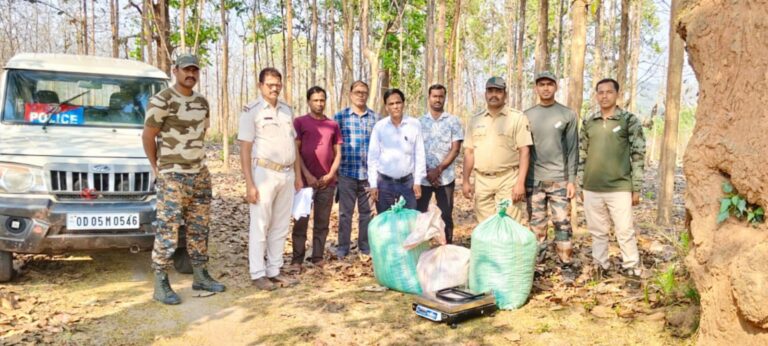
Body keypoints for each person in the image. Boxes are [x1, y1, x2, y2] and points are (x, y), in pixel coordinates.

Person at [142, 53, 225, 305]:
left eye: (195, 70)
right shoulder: (162, 100)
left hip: (199, 174)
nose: (191, 74)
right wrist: (157, 168)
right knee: (167, 229)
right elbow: (148, 136)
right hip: (172, 175)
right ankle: (160, 283)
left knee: (199, 228)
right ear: (175, 70)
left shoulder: (202, 102)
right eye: (186, 69)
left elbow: (200, 134)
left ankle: (200, 275)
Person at [238, 67, 303, 291]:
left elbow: (293, 145)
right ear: (260, 86)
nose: (274, 88)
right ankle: (258, 272)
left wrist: (298, 176)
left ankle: (275, 269)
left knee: (281, 225)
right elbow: (245, 148)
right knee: (261, 224)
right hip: (264, 173)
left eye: (277, 84)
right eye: (270, 85)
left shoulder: (286, 110)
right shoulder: (252, 111)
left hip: (287, 173)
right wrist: (249, 184)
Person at [578, 78, 646, 287]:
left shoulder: (628, 120)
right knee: (597, 231)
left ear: (617, 94)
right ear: (596, 95)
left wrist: (636, 187)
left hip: (619, 186)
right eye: (600, 92)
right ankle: (600, 266)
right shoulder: (589, 122)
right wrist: (581, 183)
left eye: (609, 92)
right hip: (592, 187)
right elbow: (582, 154)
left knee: (624, 230)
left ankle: (632, 268)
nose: (604, 96)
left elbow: (638, 154)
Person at [524, 71, 579, 282]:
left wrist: (572, 180)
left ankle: (566, 265)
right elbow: (523, 150)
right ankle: (537, 266)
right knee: (536, 226)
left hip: (559, 180)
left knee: (562, 224)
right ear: (536, 88)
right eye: (542, 84)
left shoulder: (567, 115)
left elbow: (573, 150)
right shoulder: (527, 115)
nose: (545, 88)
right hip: (534, 180)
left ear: (556, 87)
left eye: (549, 84)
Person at [462, 77, 533, 223]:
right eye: (490, 91)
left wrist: (520, 183)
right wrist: (466, 181)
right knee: (486, 226)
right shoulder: (475, 120)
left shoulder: (517, 118)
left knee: (508, 224)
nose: (494, 95)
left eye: (498, 91)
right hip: (482, 181)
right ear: (485, 94)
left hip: (507, 180)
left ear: (505, 94)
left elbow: (524, 151)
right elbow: (469, 152)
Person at [286, 86, 342, 271]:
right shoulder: (300, 122)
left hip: (327, 182)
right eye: (315, 100)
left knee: (322, 222)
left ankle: (317, 256)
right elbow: (296, 150)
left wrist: (330, 174)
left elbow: (338, 153)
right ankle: (297, 259)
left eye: (322, 100)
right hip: (304, 183)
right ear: (309, 102)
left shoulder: (332, 125)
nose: (319, 103)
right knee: (301, 221)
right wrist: (306, 175)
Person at [333, 81, 379, 259]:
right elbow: (333, 145)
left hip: (368, 175)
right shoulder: (340, 118)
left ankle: (364, 247)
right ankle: (343, 247)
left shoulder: (376, 119)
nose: (361, 95)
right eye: (357, 92)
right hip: (346, 173)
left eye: (364, 92)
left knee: (366, 213)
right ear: (350, 94)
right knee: (345, 214)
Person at [416, 84, 463, 243]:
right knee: (420, 214)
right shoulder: (419, 122)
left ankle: (446, 247)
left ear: (445, 98)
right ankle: (420, 246)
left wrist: (438, 170)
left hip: (446, 177)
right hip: (423, 178)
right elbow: (416, 150)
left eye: (441, 96)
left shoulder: (453, 121)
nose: (437, 99)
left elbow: (455, 149)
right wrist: (428, 172)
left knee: (446, 215)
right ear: (429, 98)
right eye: (434, 96)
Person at [368, 88, 427, 213]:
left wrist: (418, 181)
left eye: (398, 102)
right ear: (386, 107)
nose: (395, 106)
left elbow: (420, 155)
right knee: (385, 221)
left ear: (403, 103)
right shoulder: (379, 127)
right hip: (384, 184)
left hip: (408, 184)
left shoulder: (414, 124)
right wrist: (373, 184)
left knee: (409, 221)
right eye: (391, 104)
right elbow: (372, 158)